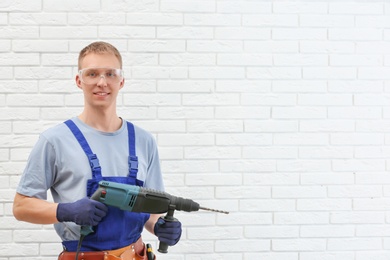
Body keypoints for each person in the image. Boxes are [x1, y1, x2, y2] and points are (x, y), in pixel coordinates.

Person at [12, 41, 182, 259]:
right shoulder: (55, 140)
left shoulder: (144, 141)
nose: (102, 82)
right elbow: (21, 207)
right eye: (92, 74)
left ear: (121, 81)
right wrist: (65, 211)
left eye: (110, 74)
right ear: (78, 80)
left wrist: (160, 226)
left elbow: (150, 211)